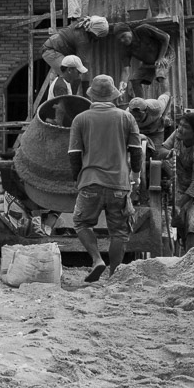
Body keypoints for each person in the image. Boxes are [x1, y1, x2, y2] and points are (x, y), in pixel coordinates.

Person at [67, 75, 145, 284]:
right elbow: (137, 152)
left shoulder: (80, 119)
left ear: (91, 95)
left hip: (90, 181)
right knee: (119, 232)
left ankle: (96, 259)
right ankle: (114, 275)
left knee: (81, 223)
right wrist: (135, 178)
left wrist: (78, 179)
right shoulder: (126, 118)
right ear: (114, 96)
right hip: (119, 183)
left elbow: (74, 155)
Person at [158, 112, 194, 252]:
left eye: (186, 127)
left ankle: (191, 260)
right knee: (178, 221)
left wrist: (178, 204)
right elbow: (162, 150)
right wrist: (168, 154)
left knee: (192, 220)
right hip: (180, 183)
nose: (180, 129)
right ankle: (182, 250)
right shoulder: (178, 135)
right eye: (180, 125)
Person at [112, 21, 171, 97]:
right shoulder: (125, 48)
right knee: (135, 80)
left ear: (130, 31)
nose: (123, 40)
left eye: (123, 36)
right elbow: (125, 70)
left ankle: (167, 103)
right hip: (148, 63)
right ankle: (140, 105)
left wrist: (161, 58)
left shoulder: (144, 30)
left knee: (160, 74)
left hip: (165, 54)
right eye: (120, 39)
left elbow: (166, 37)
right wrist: (122, 86)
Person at [41, 16, 110, 73]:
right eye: (97, 37)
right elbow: (82, 63)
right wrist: (85, 86)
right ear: (93, 33)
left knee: (71, 75)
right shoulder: (82, 40)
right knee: (69, 74)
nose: (97, 39)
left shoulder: (84, 21)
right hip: (51, 51)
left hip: (57, 47)